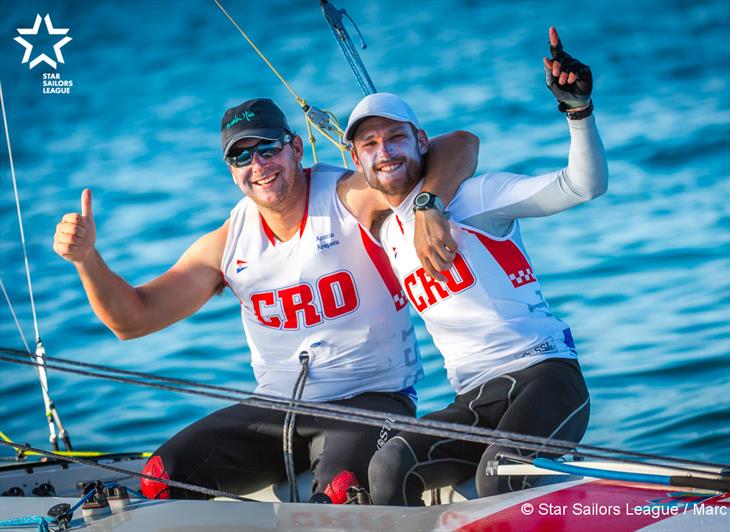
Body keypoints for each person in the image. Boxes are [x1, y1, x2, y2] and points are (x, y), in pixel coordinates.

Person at [52, 97, 477, 500]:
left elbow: (461, 144)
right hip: (276, 413)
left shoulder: (350, 196)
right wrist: (87, 259)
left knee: (339, 492)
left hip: (370, 401)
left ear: (295, 148)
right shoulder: (228, 242)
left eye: (268, 148)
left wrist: (427, 204)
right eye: (241, 157)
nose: (258, 165)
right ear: (231, 171)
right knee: (159, 478)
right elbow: (132, 320)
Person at [345, 27, 608, 504]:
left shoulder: (476, 198)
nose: (384, 152)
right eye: (370, 144)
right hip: (473, 398)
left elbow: (581, 185)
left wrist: (578, 113)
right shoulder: (382, 228)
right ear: (356, 158)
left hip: (545, 375)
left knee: (499, 477)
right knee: (387, 463)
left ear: (421, 141)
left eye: (395, 138)